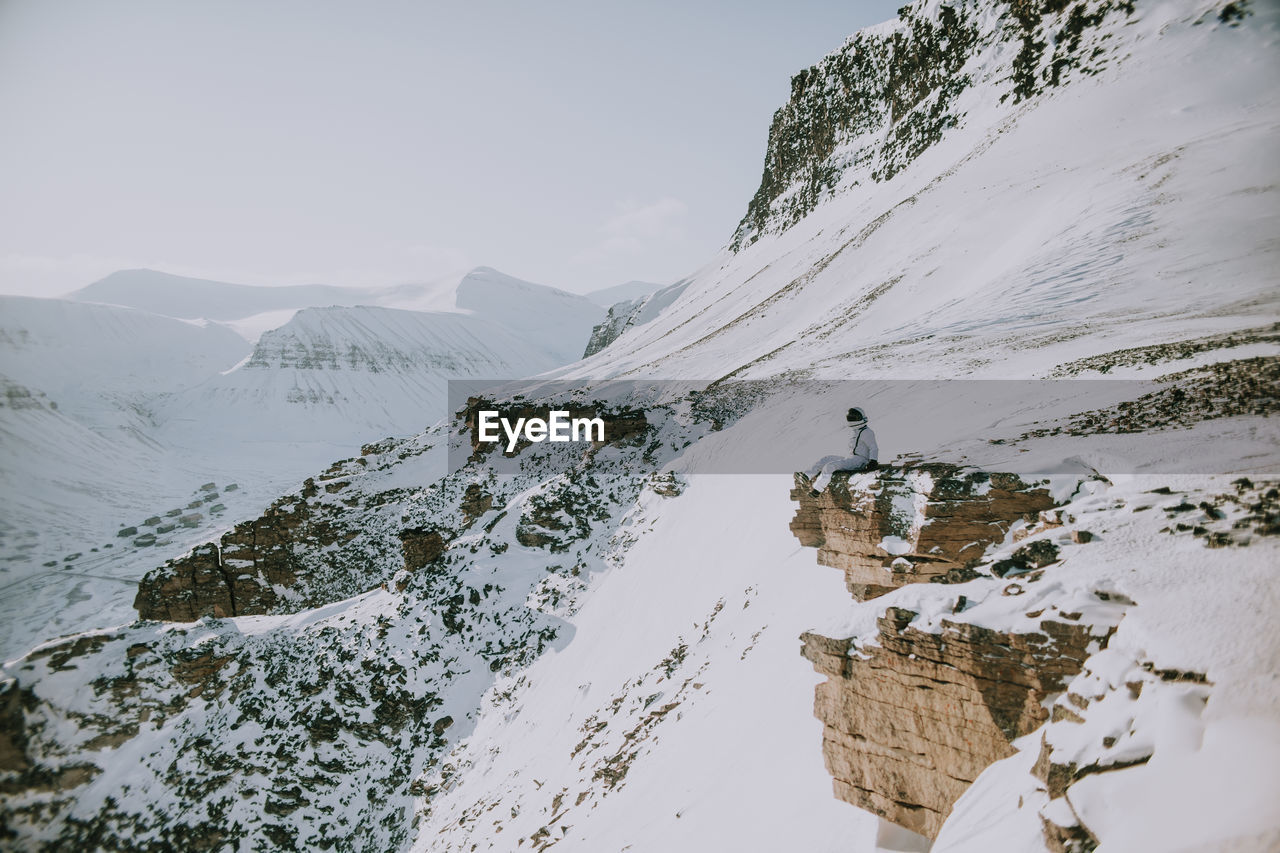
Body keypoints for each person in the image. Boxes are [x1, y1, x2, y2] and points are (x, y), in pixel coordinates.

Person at [804, 407, 879, 492]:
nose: (851, 419)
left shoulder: (867, 432)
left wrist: (873, 461)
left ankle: (818, 489)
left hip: (859, 461)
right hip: (852, 459)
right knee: (827, 459)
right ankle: (807, 476)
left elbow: (873, 447)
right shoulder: (856, 430)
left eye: (853, 418)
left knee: (830, 466)